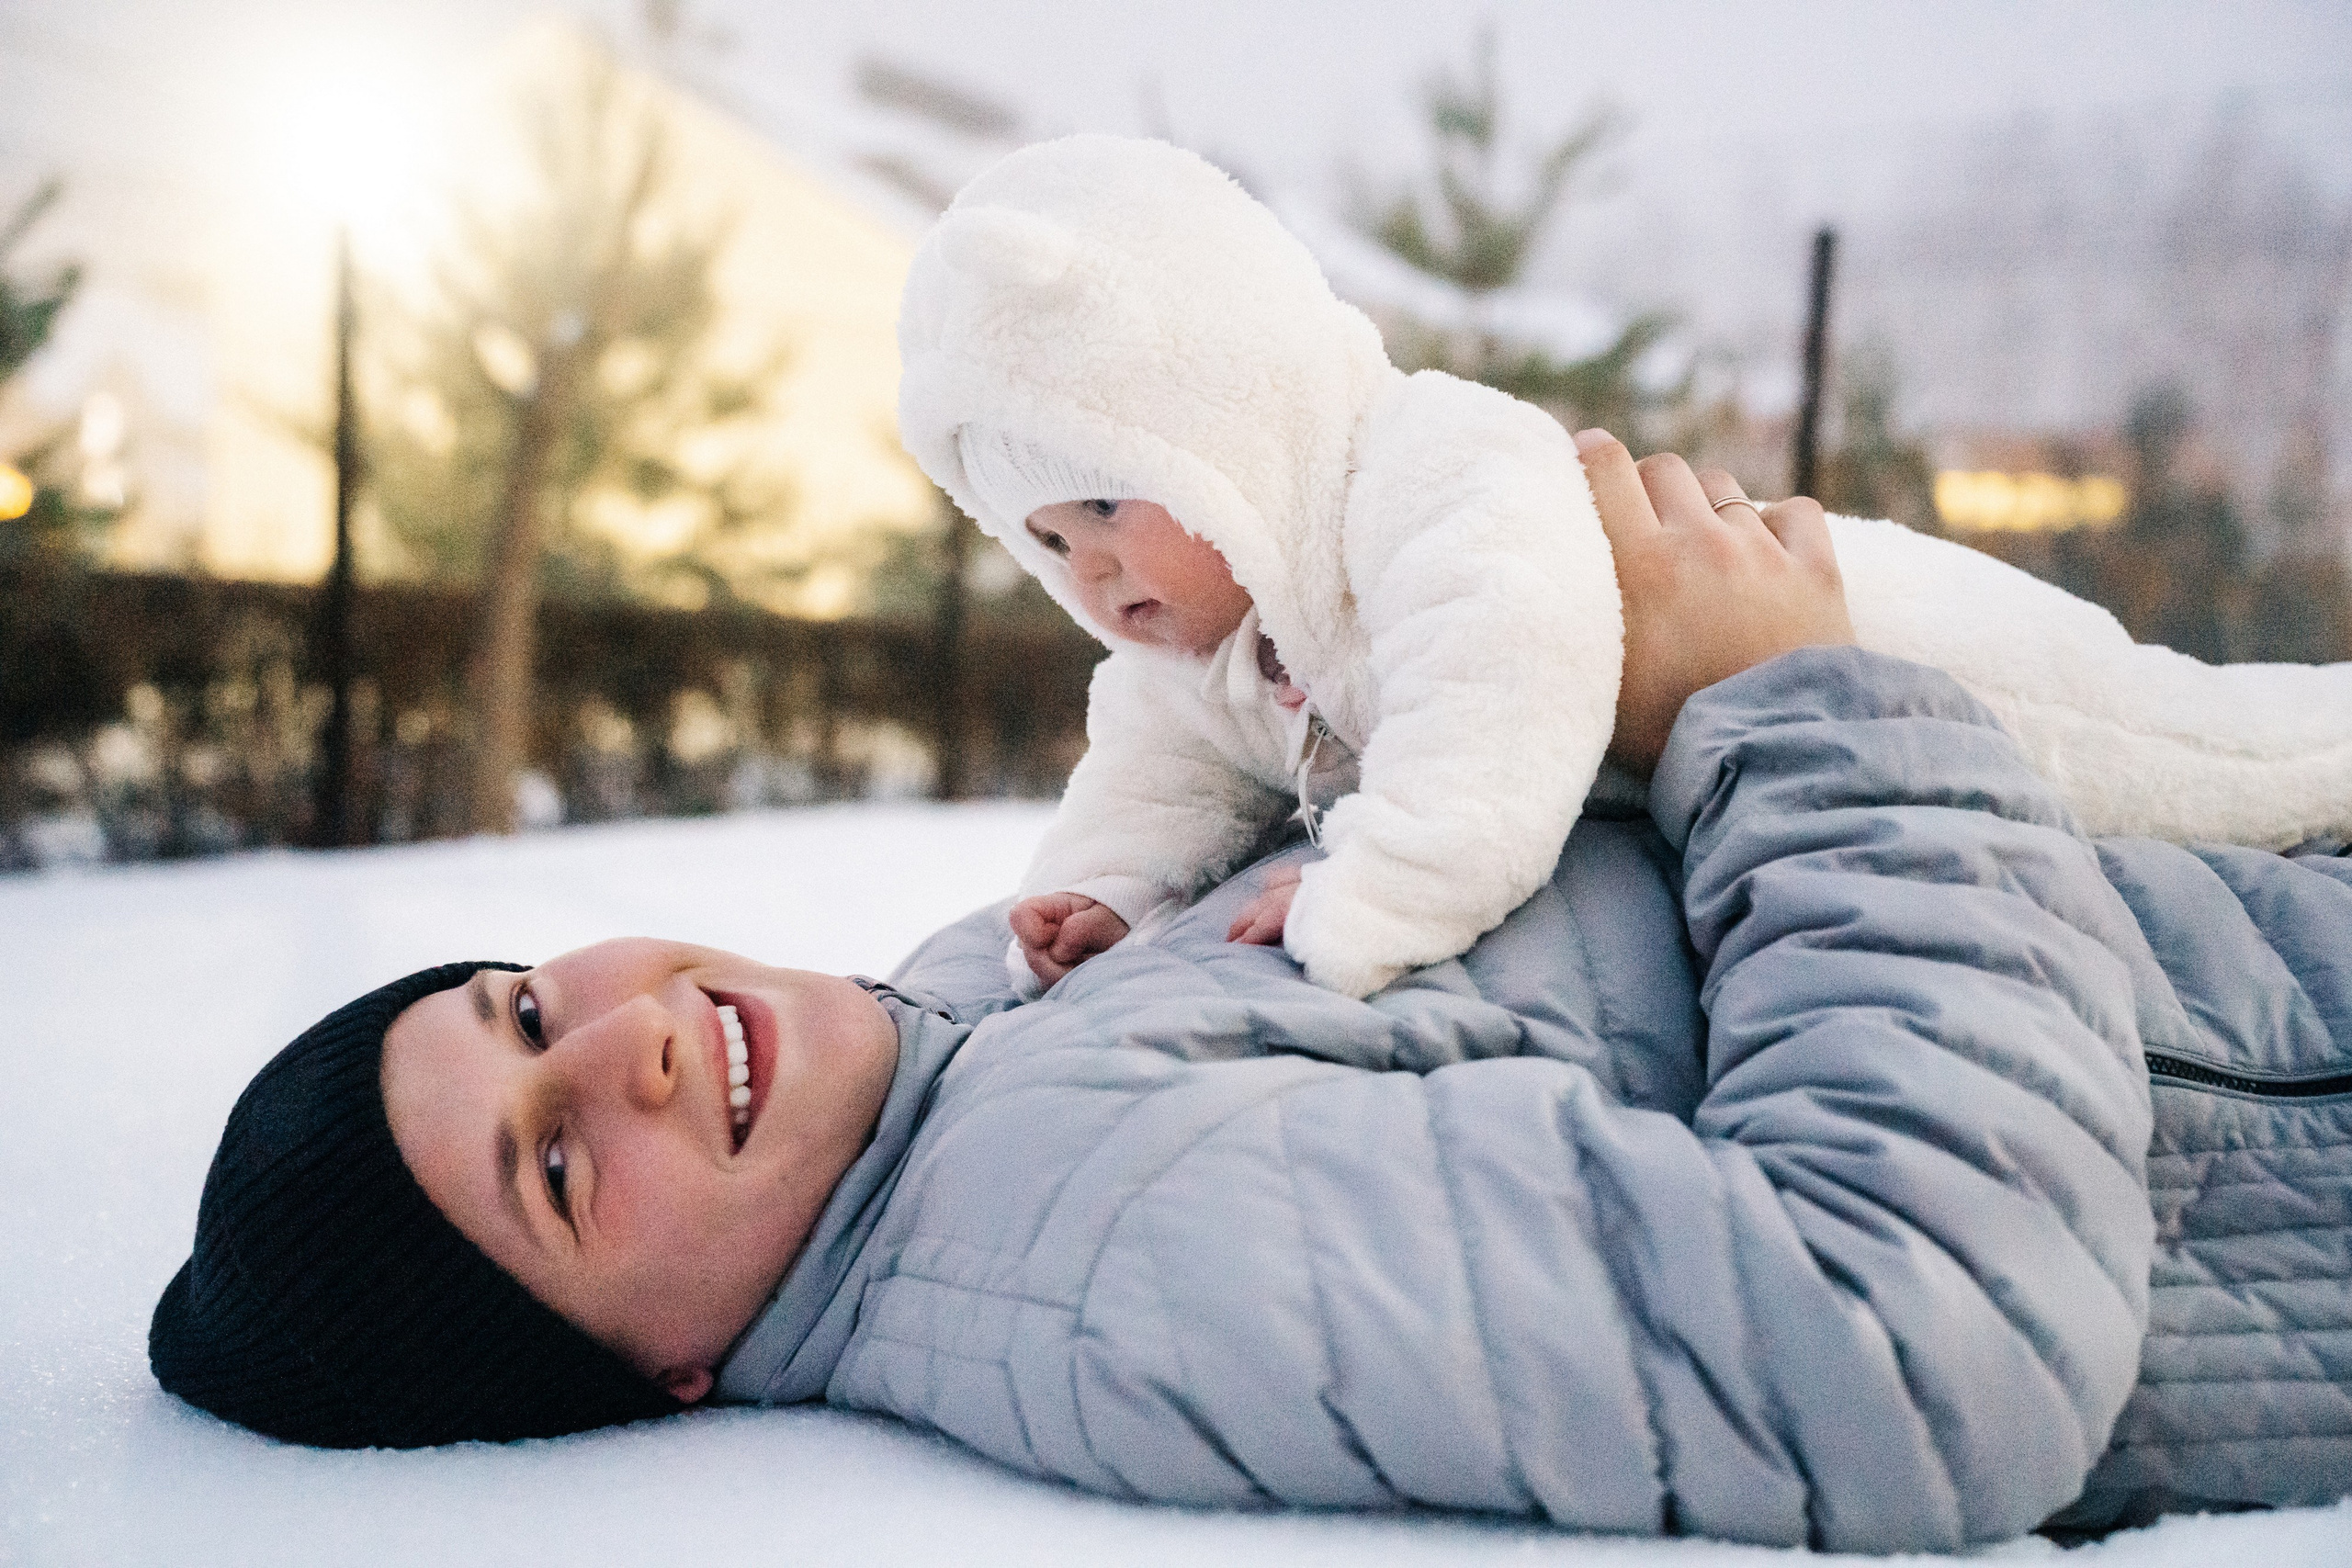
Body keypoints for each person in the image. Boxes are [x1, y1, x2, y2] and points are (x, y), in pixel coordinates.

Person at [150, 440, 2352, 1551]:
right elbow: (1908, 1342)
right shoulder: (1098, 1249)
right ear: (661, 1374)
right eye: (554, 1170)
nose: (618, 1043)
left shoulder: (982, 1037)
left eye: (522, 1008)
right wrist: (1792, 711)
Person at [895, 134, 2352, 1001]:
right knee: (2161, 840)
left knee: (2208, 756)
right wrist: (1103, 898)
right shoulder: (1197, 661)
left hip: (1873, 639)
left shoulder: (1422, 464)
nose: (1091, 570)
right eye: (1047, 537)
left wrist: (1389, 884)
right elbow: (1152, 789)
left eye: (1110, 498)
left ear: (1234, 411)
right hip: (1772, 741)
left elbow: (1505, 675)